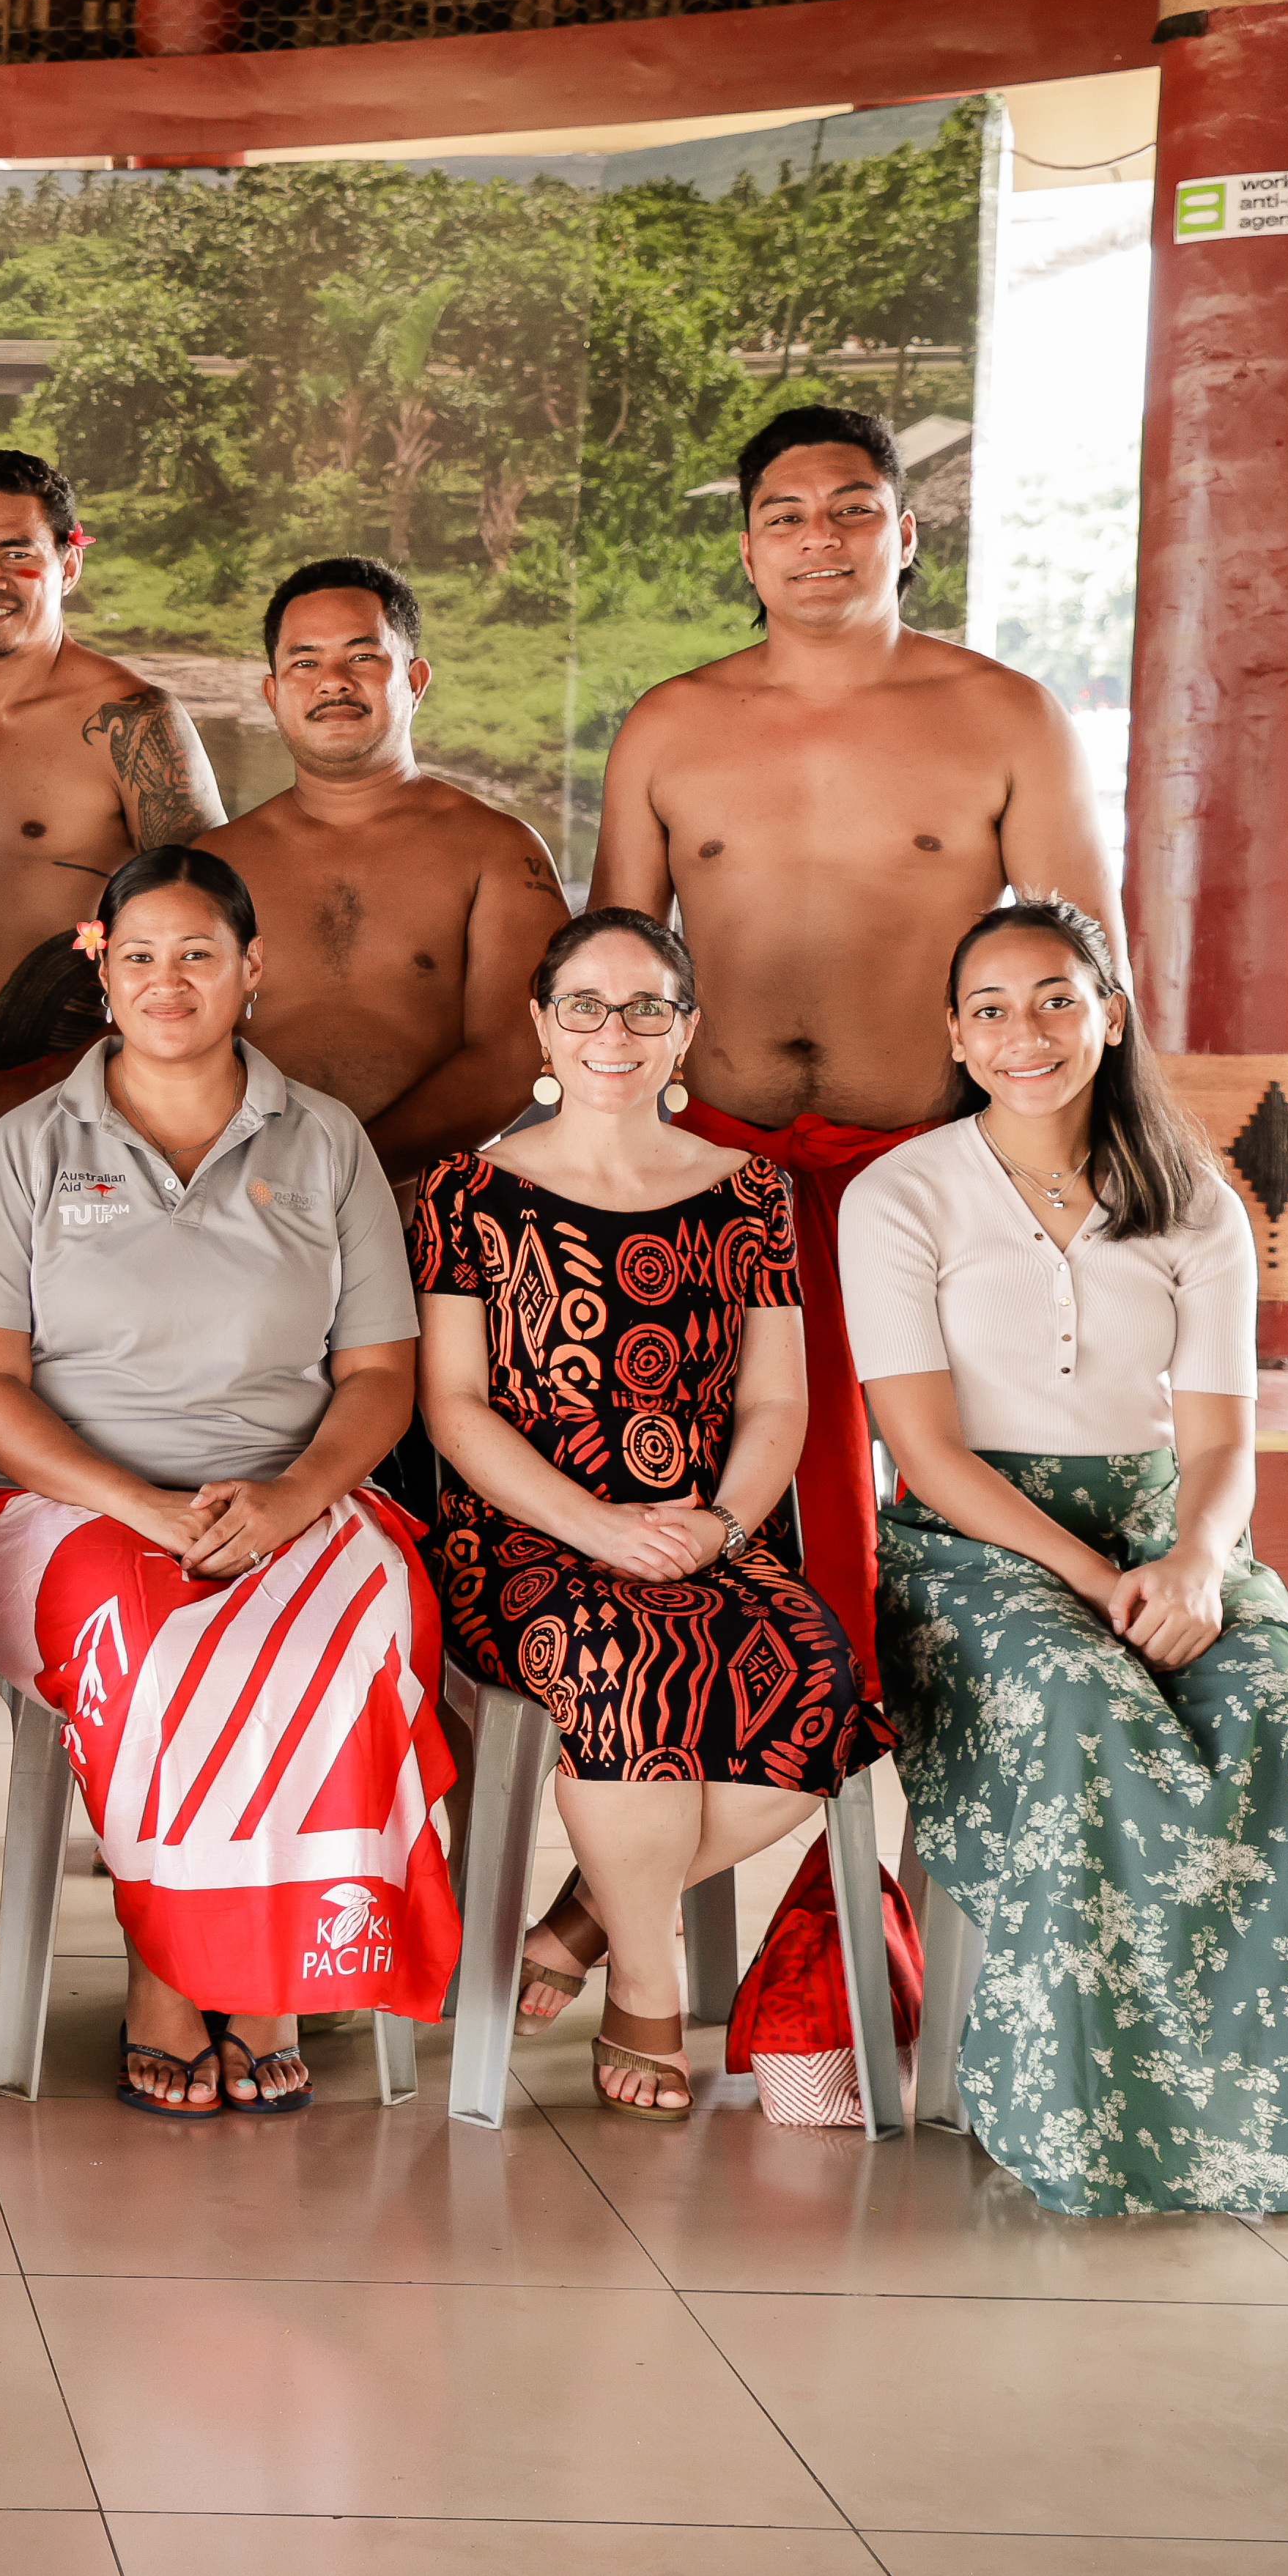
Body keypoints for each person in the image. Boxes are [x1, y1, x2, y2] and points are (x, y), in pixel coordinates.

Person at [849, 898, 1288, 2215]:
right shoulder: (898, 1195)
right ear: (955, 1039)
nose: (1022, 1031)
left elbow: (1217, 1442)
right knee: (1081, 1700)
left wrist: (1196, 1565)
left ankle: (1258, 2098)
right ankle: (1086, 2113)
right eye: (988, 1008)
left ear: (1110, 1014)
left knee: (1279, 1702)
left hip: (1161, 1529)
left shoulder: (1194, 1201)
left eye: (1053, 999)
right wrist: (1093, 1590)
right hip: (973, 1546)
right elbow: (926, 1452)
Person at [591, 406, 1117, 1665]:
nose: (816, 537)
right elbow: (611, 978)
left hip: (932, 1168)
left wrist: (1079, 1174)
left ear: (904, 532)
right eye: (783, 515)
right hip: (712, 1168)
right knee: (687, 1499)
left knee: (954, 1503)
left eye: (850, 509)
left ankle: (871, 1832)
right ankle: (708, 1787)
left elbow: (1085, 966)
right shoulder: (667, 724)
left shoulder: (1005, 716)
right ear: (745, 550)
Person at [0, 846, 455, 2117]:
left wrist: (291, 1500)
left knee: (348, 1633)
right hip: (65, 1508)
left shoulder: (325, 1140)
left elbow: (380, 1376)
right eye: (138, 956)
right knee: (161, 1640)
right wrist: (135, 1505)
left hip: (299, 1486)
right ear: (97, 966)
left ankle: (273, 1968)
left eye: (197, 955)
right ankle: (173, 1969)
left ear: (250, 969)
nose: (166, 982)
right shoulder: (27, 1145)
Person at [410, 907, 887, 2119]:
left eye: (643, 1008)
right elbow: (456, 1411)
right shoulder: (466, 1193)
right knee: (622, 1657)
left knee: (823, 1684)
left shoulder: (752, 1197)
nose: (610, 1032)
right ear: (541, 1024)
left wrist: (720, 1526)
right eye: (583, 1005)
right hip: (521, 1536)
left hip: (709, 1530)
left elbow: (777, 1403)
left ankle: (577, 1920)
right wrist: (599, 1529)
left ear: (684, 1032)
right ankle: (646, 1983)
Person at [0, 451, 227, 1782]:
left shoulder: (131, 718)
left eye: (15, 550)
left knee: (50, 1390)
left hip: (67, 1109)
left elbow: (196, 928)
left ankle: (96, 1697)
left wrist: (49, 1085)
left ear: (69, 557)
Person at [204, 556, 566, 1169]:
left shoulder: (499, 851)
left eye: (363, 656)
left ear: (416, 680)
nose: (332, 680)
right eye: (304, 662)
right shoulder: (211, 863)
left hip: (425, 1217)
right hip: (238, 1206)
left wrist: (348, 1176)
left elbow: (514, 1055)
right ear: (271, 693)